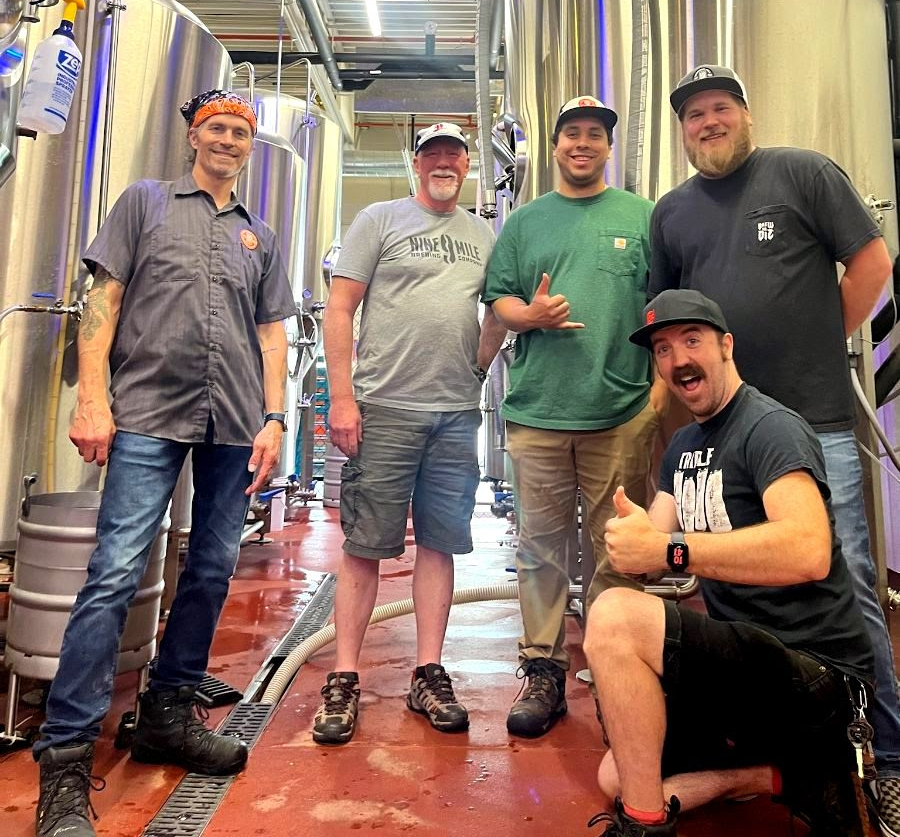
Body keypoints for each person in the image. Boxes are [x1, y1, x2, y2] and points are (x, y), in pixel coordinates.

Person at [35, 89, 297, 837]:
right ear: (193, 136)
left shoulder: (261, 235)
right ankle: (65, 758)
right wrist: (92, 399)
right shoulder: (145, 202)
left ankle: (169, 715)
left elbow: (273, 336)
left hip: (234, 423)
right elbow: (102, 301)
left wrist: (275, 419)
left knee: (213, 568)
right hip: (146, 412)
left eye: (240, 131)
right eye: (216, 127)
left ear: (251, 146)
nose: (228, 140)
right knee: (115, 572)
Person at [648, 64, 900, 837]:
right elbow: (664, 316)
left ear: (745, 114)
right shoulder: (672, 212)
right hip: (722, 436)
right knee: (728, 586)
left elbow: (872, 264)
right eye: (693, 116)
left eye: (719, 108)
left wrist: (822, 343)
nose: (707, 123)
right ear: (682, 131)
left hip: (813, 418)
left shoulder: (802, 173)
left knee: (847, 580)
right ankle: (781, 745)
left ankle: (886, 758)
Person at [584, 288, 875, 837]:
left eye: (692, 341)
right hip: (744, 671)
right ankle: (784, 778)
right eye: (663, 350)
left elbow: (809, 551)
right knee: (617, 772)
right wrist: (631, 538)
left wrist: (667, 550)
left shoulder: (771, 428)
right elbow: (653, 542)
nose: (678, 360)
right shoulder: (684, 447)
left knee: (615, 617)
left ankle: (644, 826)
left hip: (816, 675)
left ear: (726, 347)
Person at [312, 121, 506, 745]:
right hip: (384, 406)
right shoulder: (379, 219)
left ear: (467, 164)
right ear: (416, 164)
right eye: (433, 153)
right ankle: (344, 677)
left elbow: (499, 308)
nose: (444, 162)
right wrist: (341, 398)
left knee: (440, 544)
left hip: (455, 412)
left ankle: (427, 671)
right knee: (365, 546)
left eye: (454, 153)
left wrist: (480, 360)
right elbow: (339, 308)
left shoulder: (483, 234)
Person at [483, 95, 660, 739]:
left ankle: (621, 671)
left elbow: (663, 304)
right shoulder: (526, 222)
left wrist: (657, 401)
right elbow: (498, 296)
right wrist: (528, 316)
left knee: (617, 550)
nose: (582, 144)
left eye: (594, 135)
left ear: (608, 147)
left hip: (620, 413)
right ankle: (544, 670)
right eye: (570, 134)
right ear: (554, 147)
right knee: (541, 550)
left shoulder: (642, 217)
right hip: (539, 412)